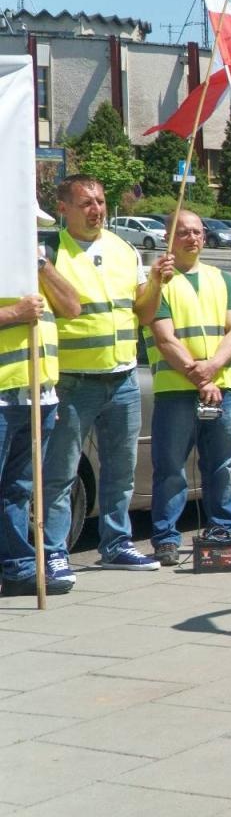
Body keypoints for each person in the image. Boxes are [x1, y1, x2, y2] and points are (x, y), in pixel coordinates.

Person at [41, 175, 165, 581]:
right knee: (61, 472)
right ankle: (54, 551)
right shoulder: (52, 251)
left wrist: (157, 283)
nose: (96, 210)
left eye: (100, 201)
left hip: (123, 376)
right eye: (86, 203)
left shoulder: (124, 249)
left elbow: (144, 314)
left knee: (120, 469)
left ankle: (116, 543)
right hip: (73, 380)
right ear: (65, 209)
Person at [139, 210, 231, 566]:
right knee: (170, 467)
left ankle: (224, 532)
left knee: (221, 465)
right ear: (169, 237)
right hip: (176, 388)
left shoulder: (222, 279)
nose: (192, 239)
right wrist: (200, 376)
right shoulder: (159, 283)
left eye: (197, 232)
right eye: (183, 233)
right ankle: (166, 538)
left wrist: (213, 369)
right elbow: (164, 337)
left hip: (222, 388)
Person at [0, 233, 81, 595]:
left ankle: (18, 567)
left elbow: (72, 307)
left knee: (19, 489)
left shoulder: (38, 267)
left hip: (37, 397)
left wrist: (41, 264)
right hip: (3, 396)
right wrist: (14, 314)